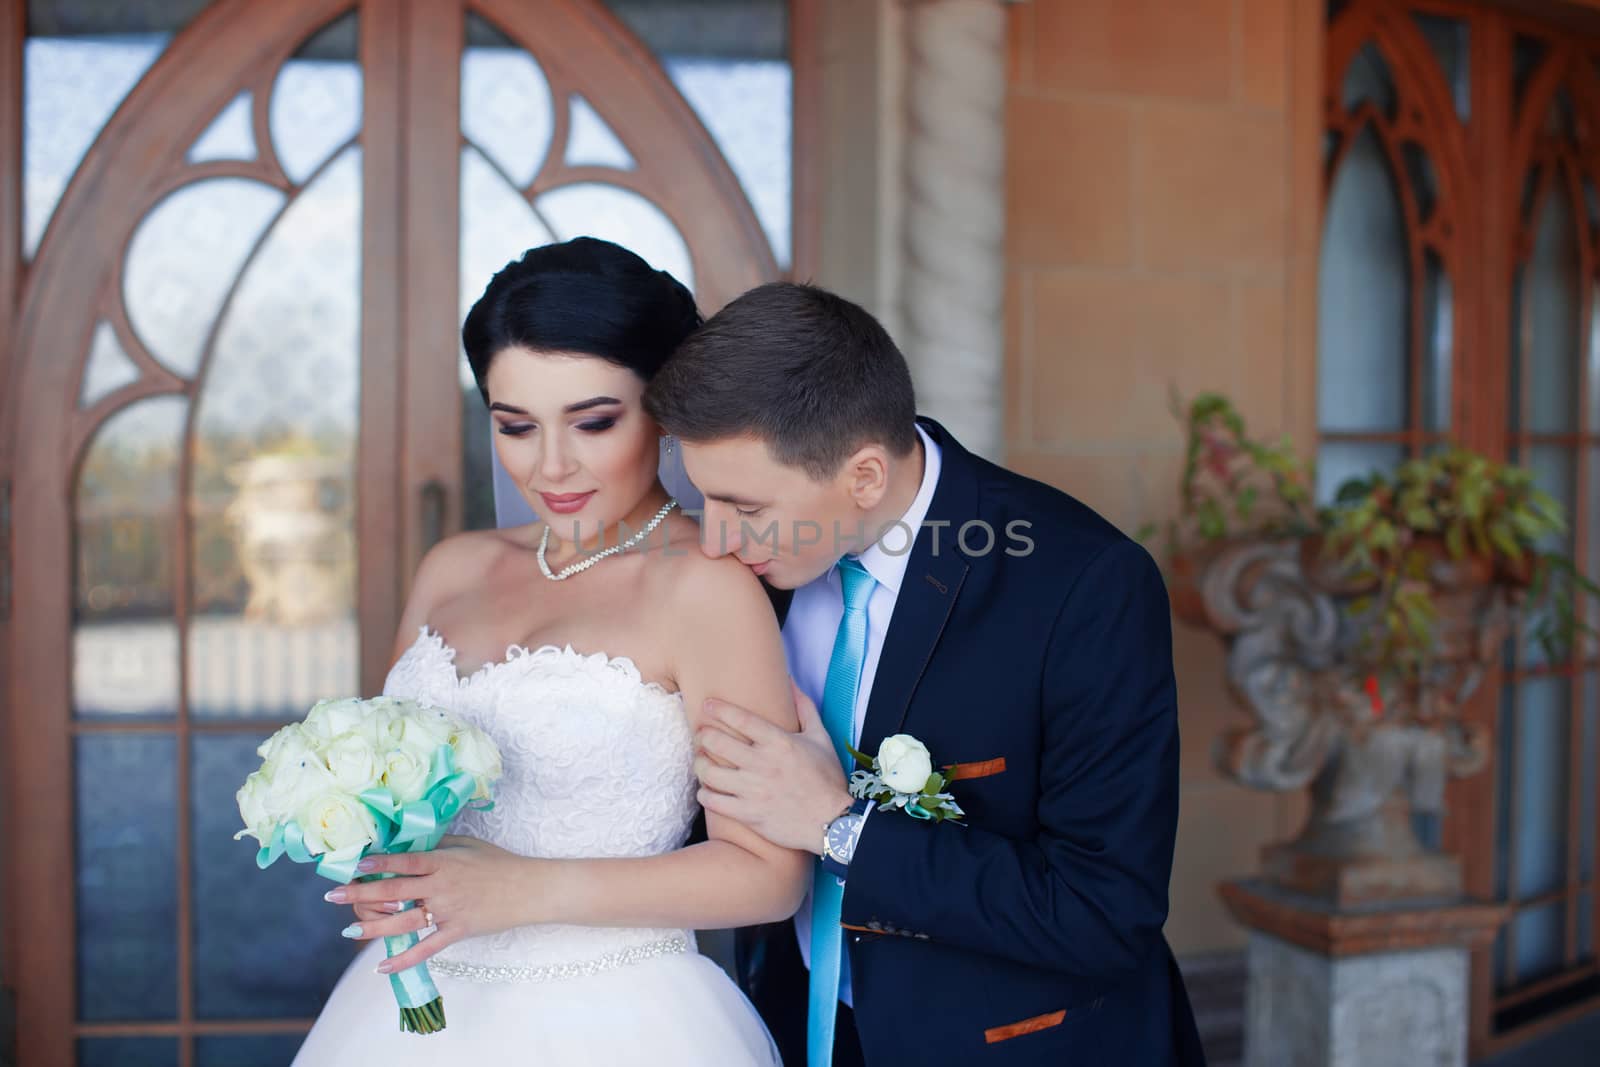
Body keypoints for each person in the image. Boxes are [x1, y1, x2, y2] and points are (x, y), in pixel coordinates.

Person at [643, 282, 1208, 1066]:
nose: (715, 540)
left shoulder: (1083, 585)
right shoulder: (746, 581)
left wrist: (839, 826)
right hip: (787, 1024)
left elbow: (1103, 912)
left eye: (744, 505)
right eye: (704, 498)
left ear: (865, 477)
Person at [292, 238, 804, 1064]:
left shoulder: (705, 585)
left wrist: (524, 888)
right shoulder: (451, 570)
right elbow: (384, 791)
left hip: (616, 1015)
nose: (552, 465)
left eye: (594, 421)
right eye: (516, 426)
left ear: (662, 411)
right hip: (410, 1016)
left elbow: (768, 873)